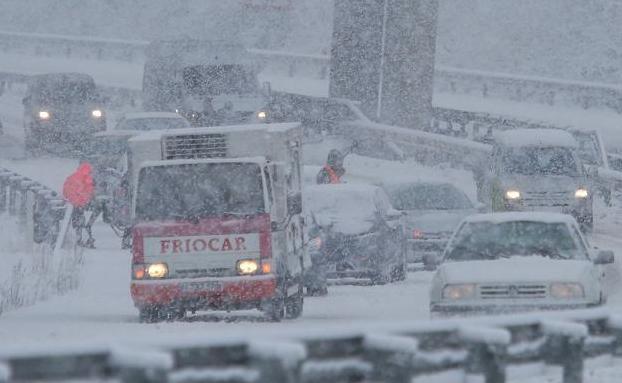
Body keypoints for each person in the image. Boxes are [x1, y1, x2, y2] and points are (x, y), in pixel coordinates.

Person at [63, 162, 95, 248]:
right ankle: (79, 240)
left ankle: (78, 239)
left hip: (72, 203)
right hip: (78, 204)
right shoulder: (86, 179)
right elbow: (87, 193)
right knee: (80, 222)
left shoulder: (73, 177)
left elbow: (66, 190)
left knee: (76, 222)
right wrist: (83, 202)